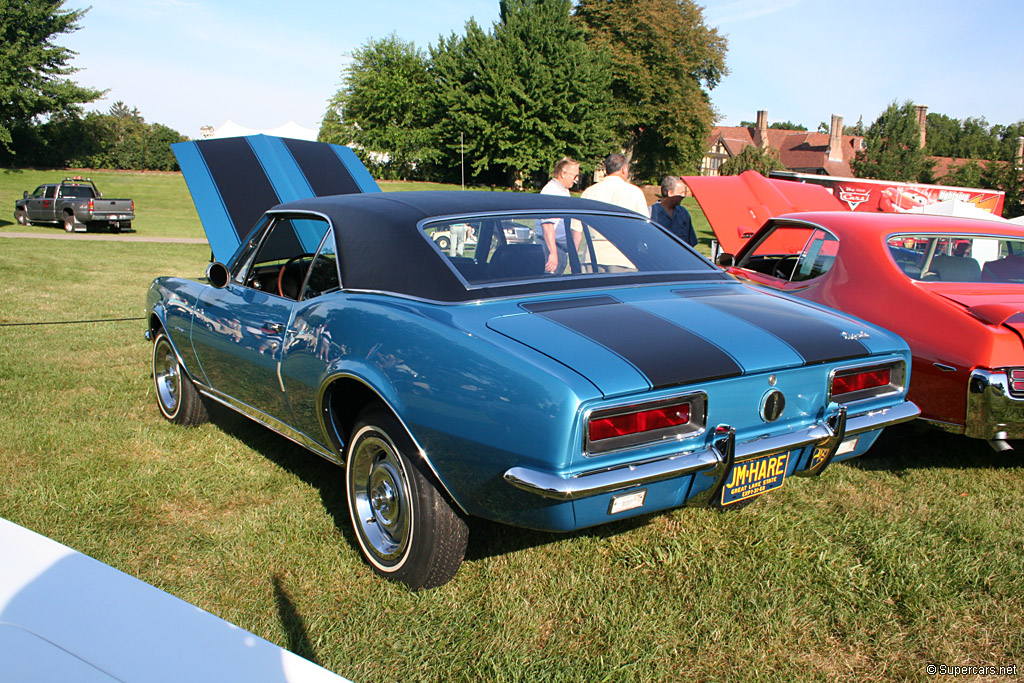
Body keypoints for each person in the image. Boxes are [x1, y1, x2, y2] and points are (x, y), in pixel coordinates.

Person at [539, 157, 581, 273]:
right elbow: (547, 224)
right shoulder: (551, 191)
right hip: (550, 249)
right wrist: (552, 253)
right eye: (574, 176)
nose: (576, 180)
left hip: (559, 249)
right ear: (563, 173)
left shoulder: (563, 191)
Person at [580, 153, 648, 217]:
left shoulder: (589, 192)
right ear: (624, 170)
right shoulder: (635, 192)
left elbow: (576, 227)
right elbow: (645, 224)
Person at [649, 175, 697, 247]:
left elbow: (691, 244)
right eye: (681, 193)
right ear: (670, 193)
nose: (683, 196)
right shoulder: (650, 213)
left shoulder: (683, 213)